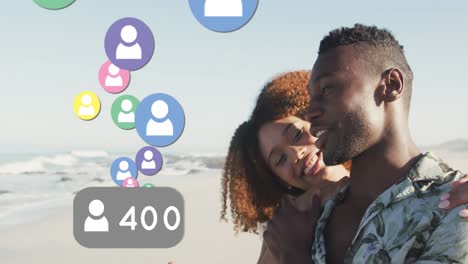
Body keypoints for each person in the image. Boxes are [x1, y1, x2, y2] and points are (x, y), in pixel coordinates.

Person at [264, 24, 468, 263]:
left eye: (327, 89)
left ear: (391, 85)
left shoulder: (452, 206)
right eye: (311, 97)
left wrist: (295, 258)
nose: (310, 113)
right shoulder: (313, 217)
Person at [221, 71, 468, 263]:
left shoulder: (404, 185)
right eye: (279, 160)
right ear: (275, 179)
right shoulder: (288, 225)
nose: (295, 154)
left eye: (296, 135)